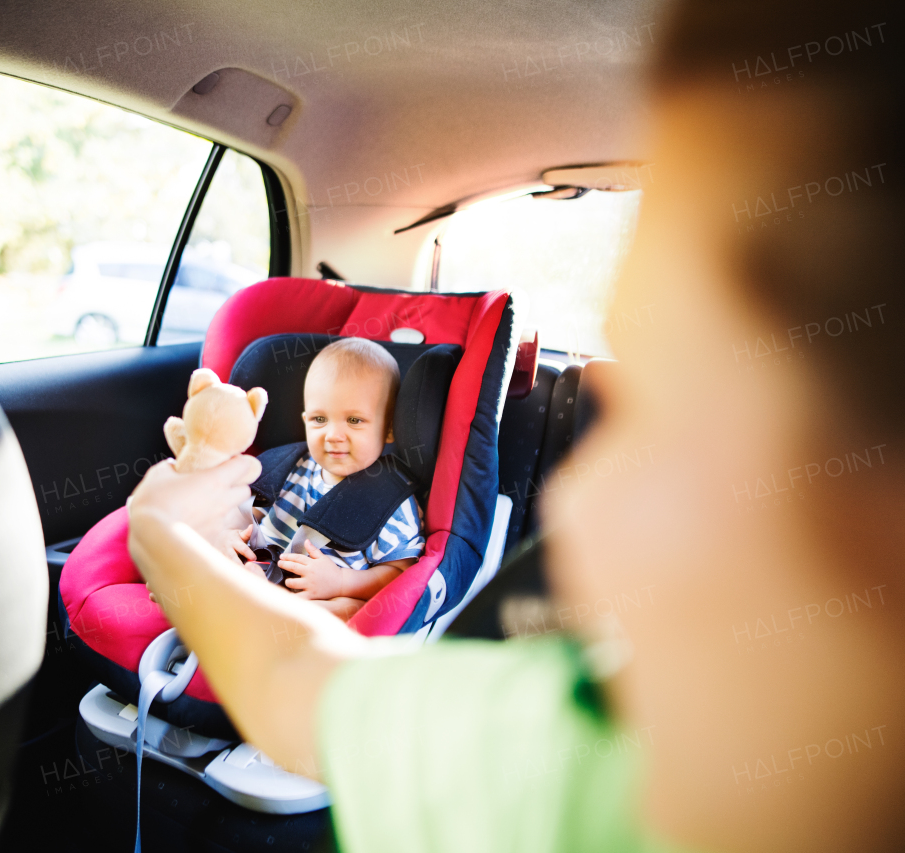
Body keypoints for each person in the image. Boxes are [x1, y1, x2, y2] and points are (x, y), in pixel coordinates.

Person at [126, 0, 903, 850]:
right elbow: (293, 683)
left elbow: (299, 683)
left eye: (688, 430)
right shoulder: (585, 753)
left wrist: (175, 534)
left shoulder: (590, 766)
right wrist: (173, 529)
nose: (580, 514)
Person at [220, 337, 424, 620]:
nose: (333, 435)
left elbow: (399, 574)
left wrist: (341, 582)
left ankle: (275, 615)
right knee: (214, 546)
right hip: (261, 569)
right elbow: (244, 513)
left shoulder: (391, 503)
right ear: (305, 420)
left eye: (354, 420)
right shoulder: (287, 466)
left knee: (353, 609)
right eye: (319, 419)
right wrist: (227, 537)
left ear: (388, 429)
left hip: (324, 597)